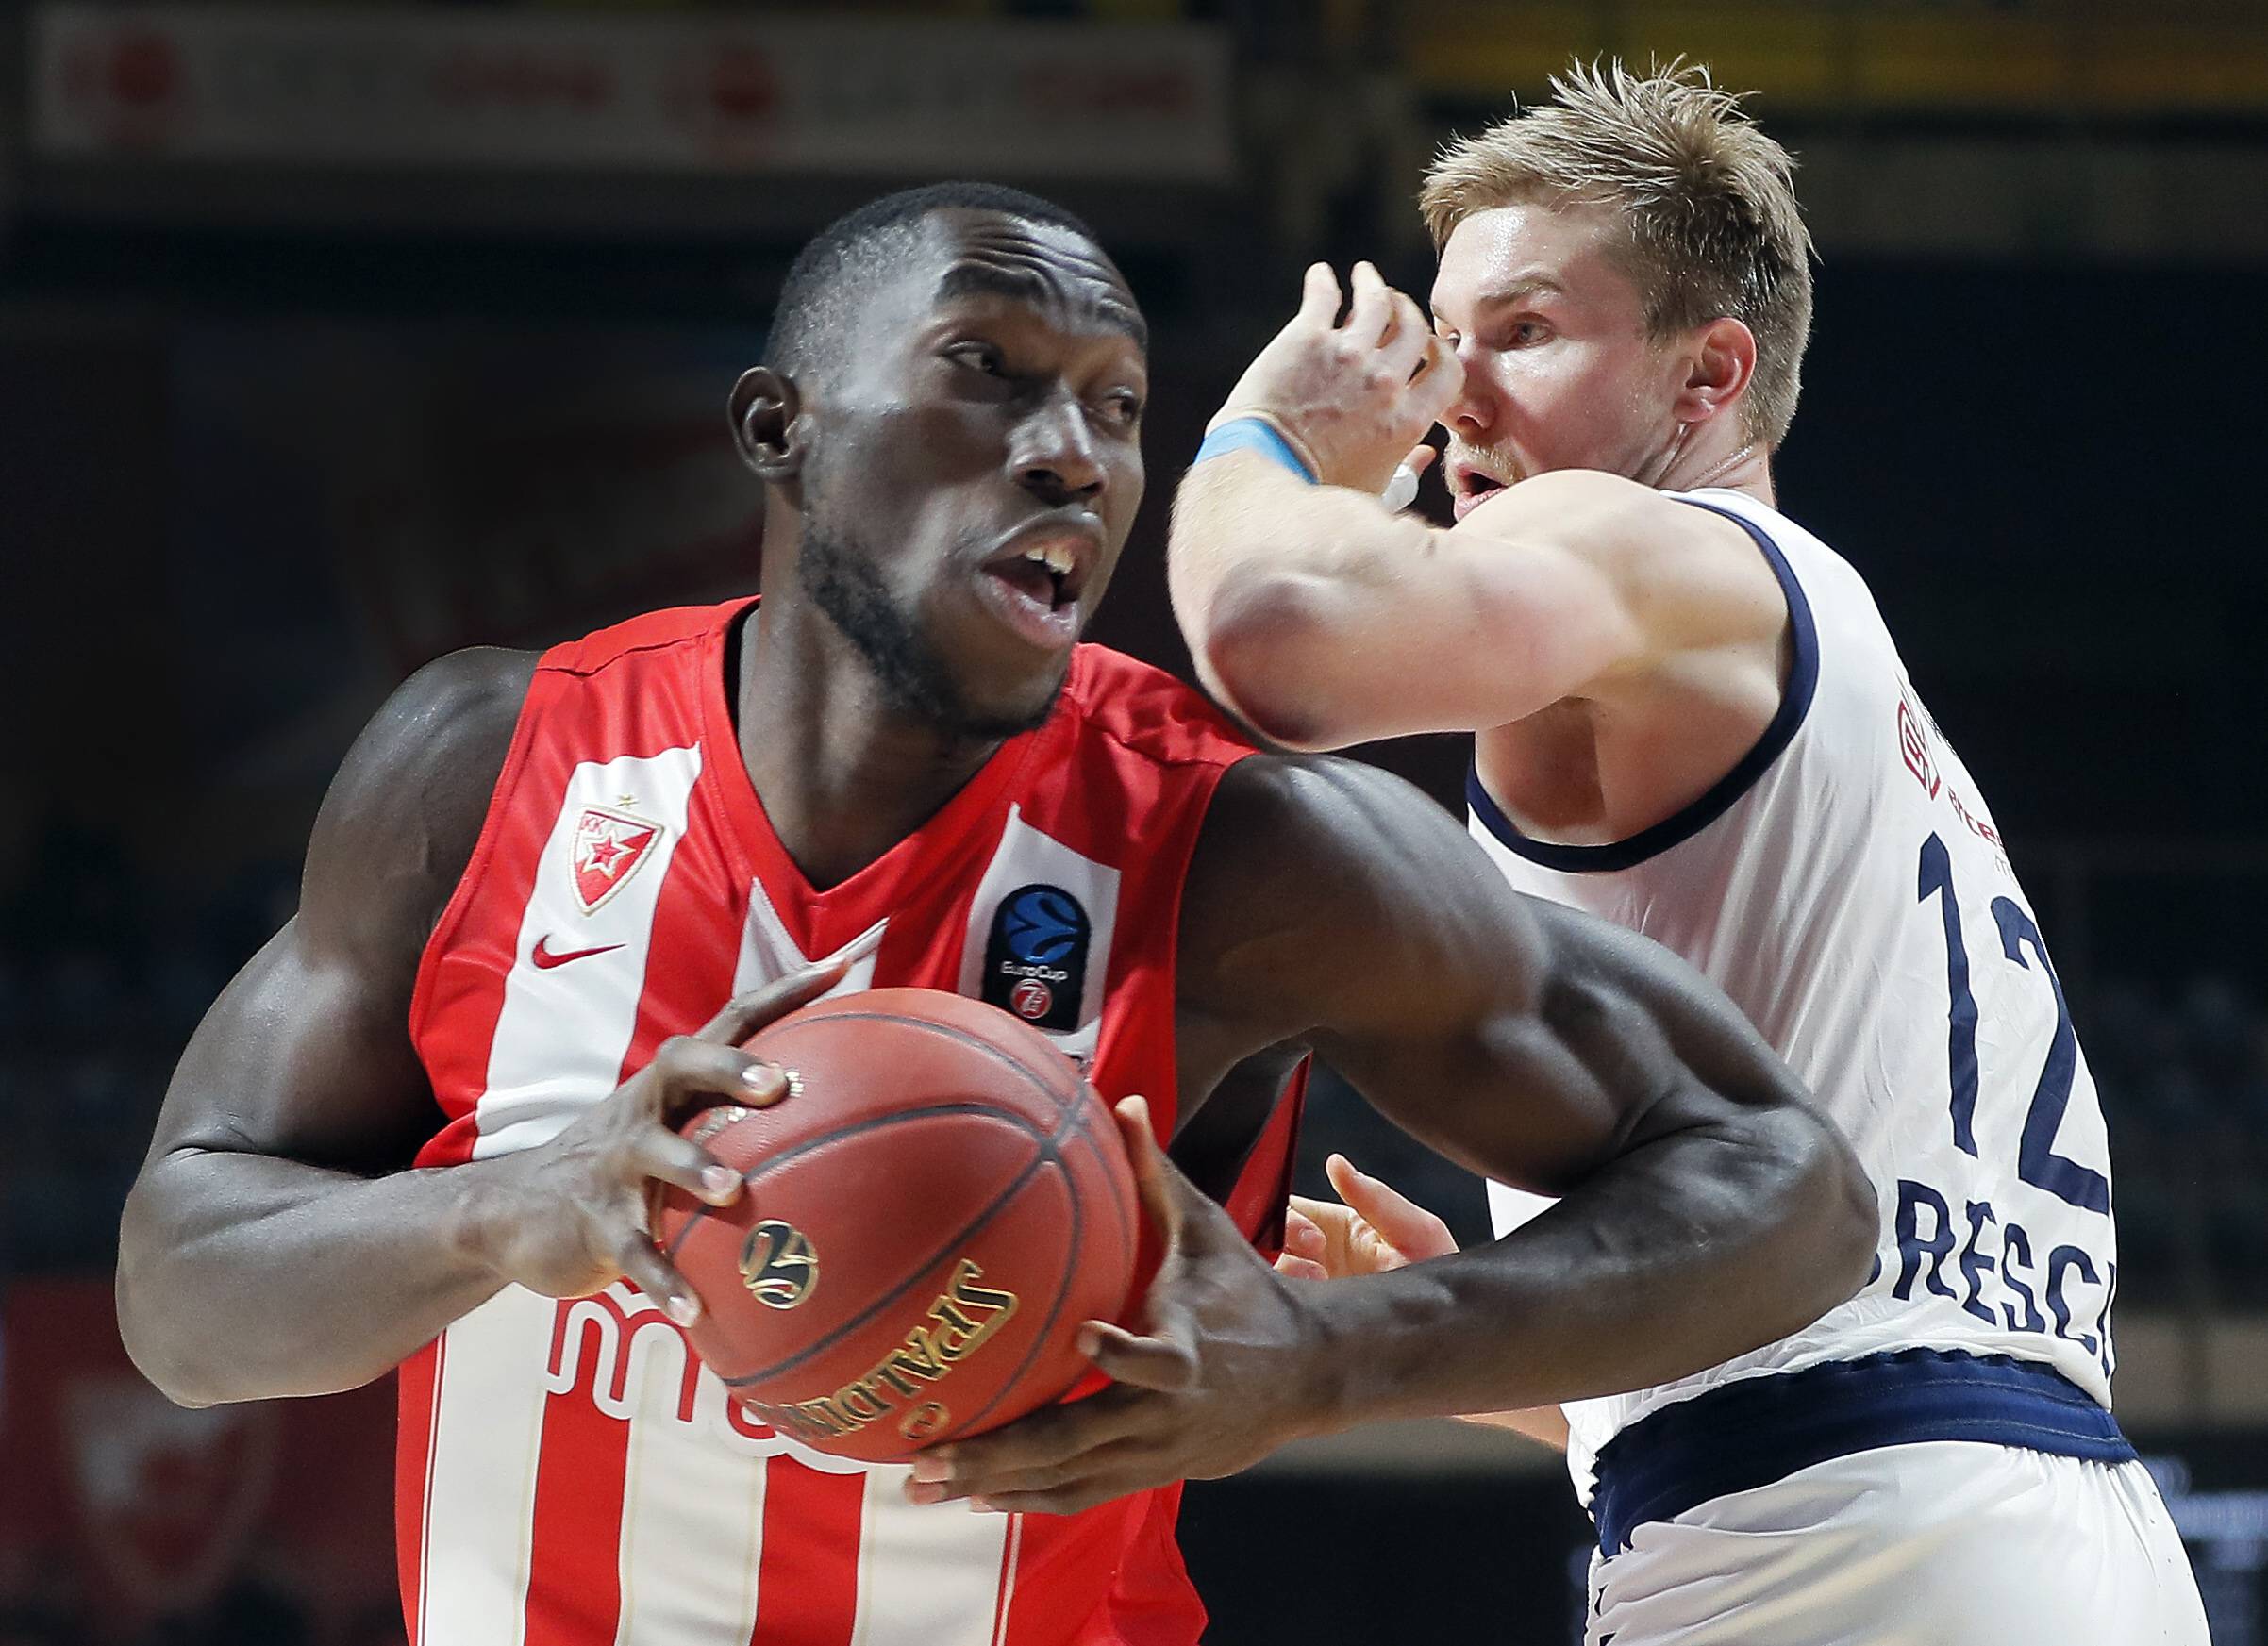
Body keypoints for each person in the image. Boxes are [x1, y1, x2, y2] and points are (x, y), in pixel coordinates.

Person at [116, 180, 1871, 1646]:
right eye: (989, 371)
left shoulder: (1233, 846)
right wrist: (508, 1206)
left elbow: (1792, 1194)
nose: (1071, 455)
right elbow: (180, 1300)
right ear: (781, 429)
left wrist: (1327, 1357)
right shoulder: (488, 765)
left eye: (1117, 408)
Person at [1163, 59, 2209, 1646]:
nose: (1453, 400)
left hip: (1830, 1539)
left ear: (1708, 374)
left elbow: (1271, 638)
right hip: (2064, 1532)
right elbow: (1842, 1332)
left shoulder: (1643, 544)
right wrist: (1487, 1329)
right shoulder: (1853, 678)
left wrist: (1275, 436)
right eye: (1446, 342)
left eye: (1523, 332)